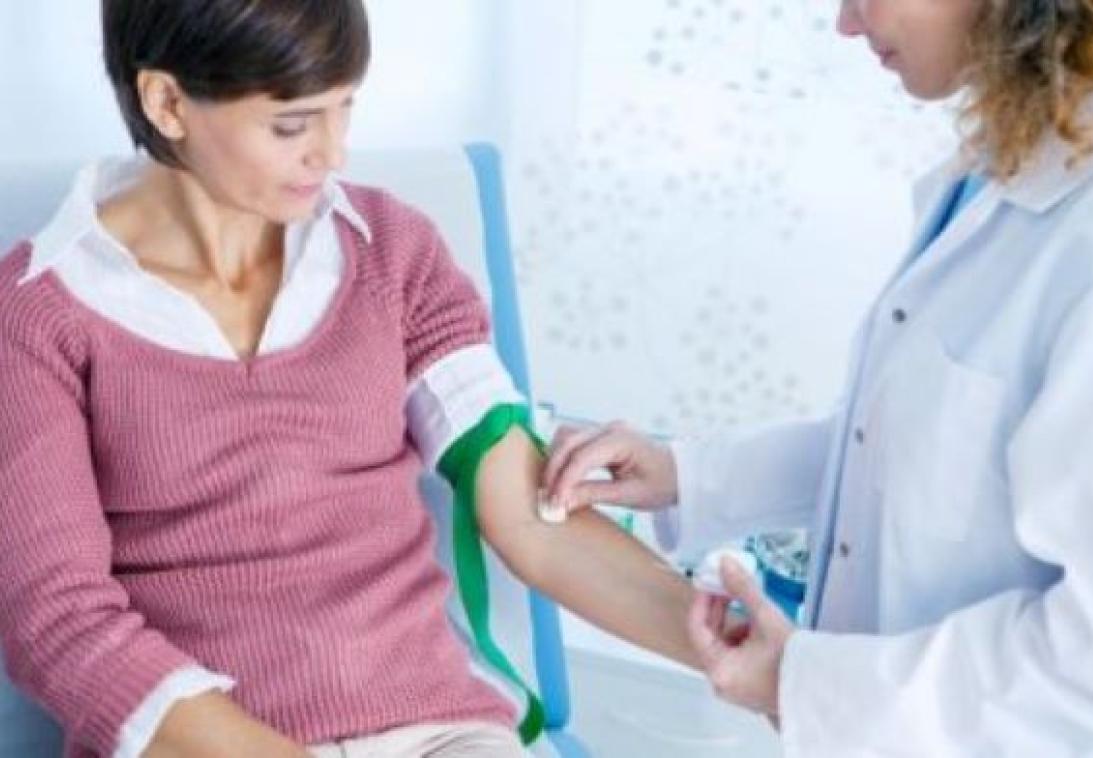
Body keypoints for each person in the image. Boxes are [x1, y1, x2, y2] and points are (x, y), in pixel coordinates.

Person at [0, 2, 701, 756]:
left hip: (436, 732)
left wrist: (759, 659)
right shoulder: (36, 317)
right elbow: (60, 623)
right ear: (166, 102)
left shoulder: (392, 254)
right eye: (293, 125)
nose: (333, 154)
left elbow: (530, 517)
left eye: (345, 108)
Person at [544, 0, 1093, 754]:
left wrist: (810, 682)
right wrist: (685, 474)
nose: (845, 24)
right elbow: (919, 444)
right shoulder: (1003, 167)